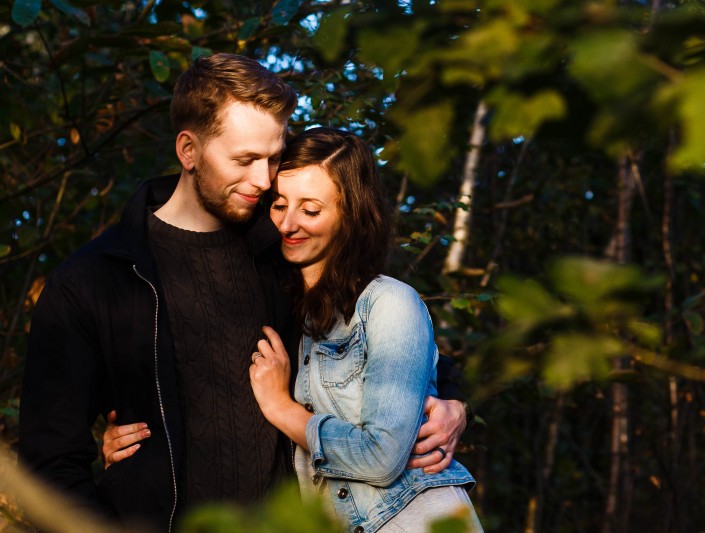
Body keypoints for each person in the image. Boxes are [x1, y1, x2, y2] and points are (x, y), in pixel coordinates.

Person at [18, 53, 468, 532]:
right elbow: (49, 464)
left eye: (274, 157)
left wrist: (456, 404)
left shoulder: (288, 250)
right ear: (188, 151)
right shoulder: (94, 282)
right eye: (245, 159)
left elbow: (390, 334)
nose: (263, 179)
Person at [249, 127, 482, 532]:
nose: (287, 224)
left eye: (311, 210)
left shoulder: (387, 303)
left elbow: (381, 458)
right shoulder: (285, 308)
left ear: (350, 215)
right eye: (279, 204)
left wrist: (281, 409)